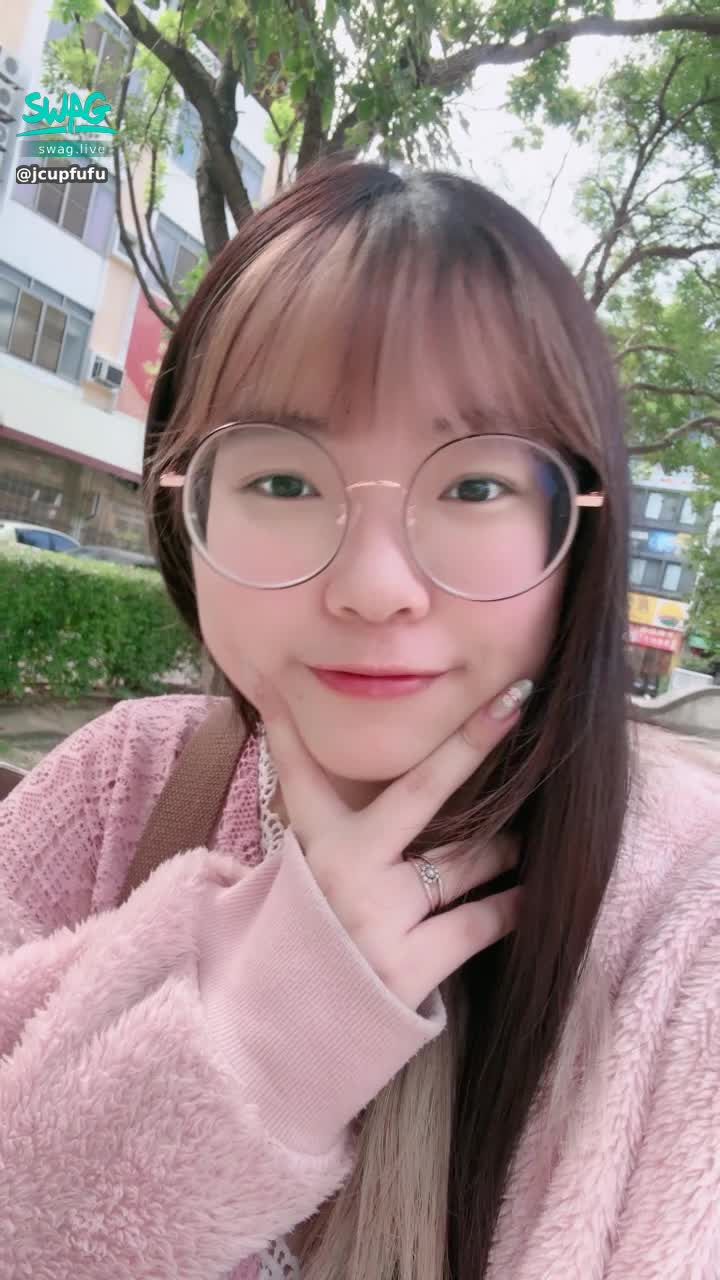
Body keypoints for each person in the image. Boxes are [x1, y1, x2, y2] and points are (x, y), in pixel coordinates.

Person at [0, 159, 717, 1280]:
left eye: (474, 486)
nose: (376, 588)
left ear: (578, 521)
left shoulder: (691, 910)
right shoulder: (118, 788)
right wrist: (246, 1052)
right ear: (185, 508)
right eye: (285, 482)